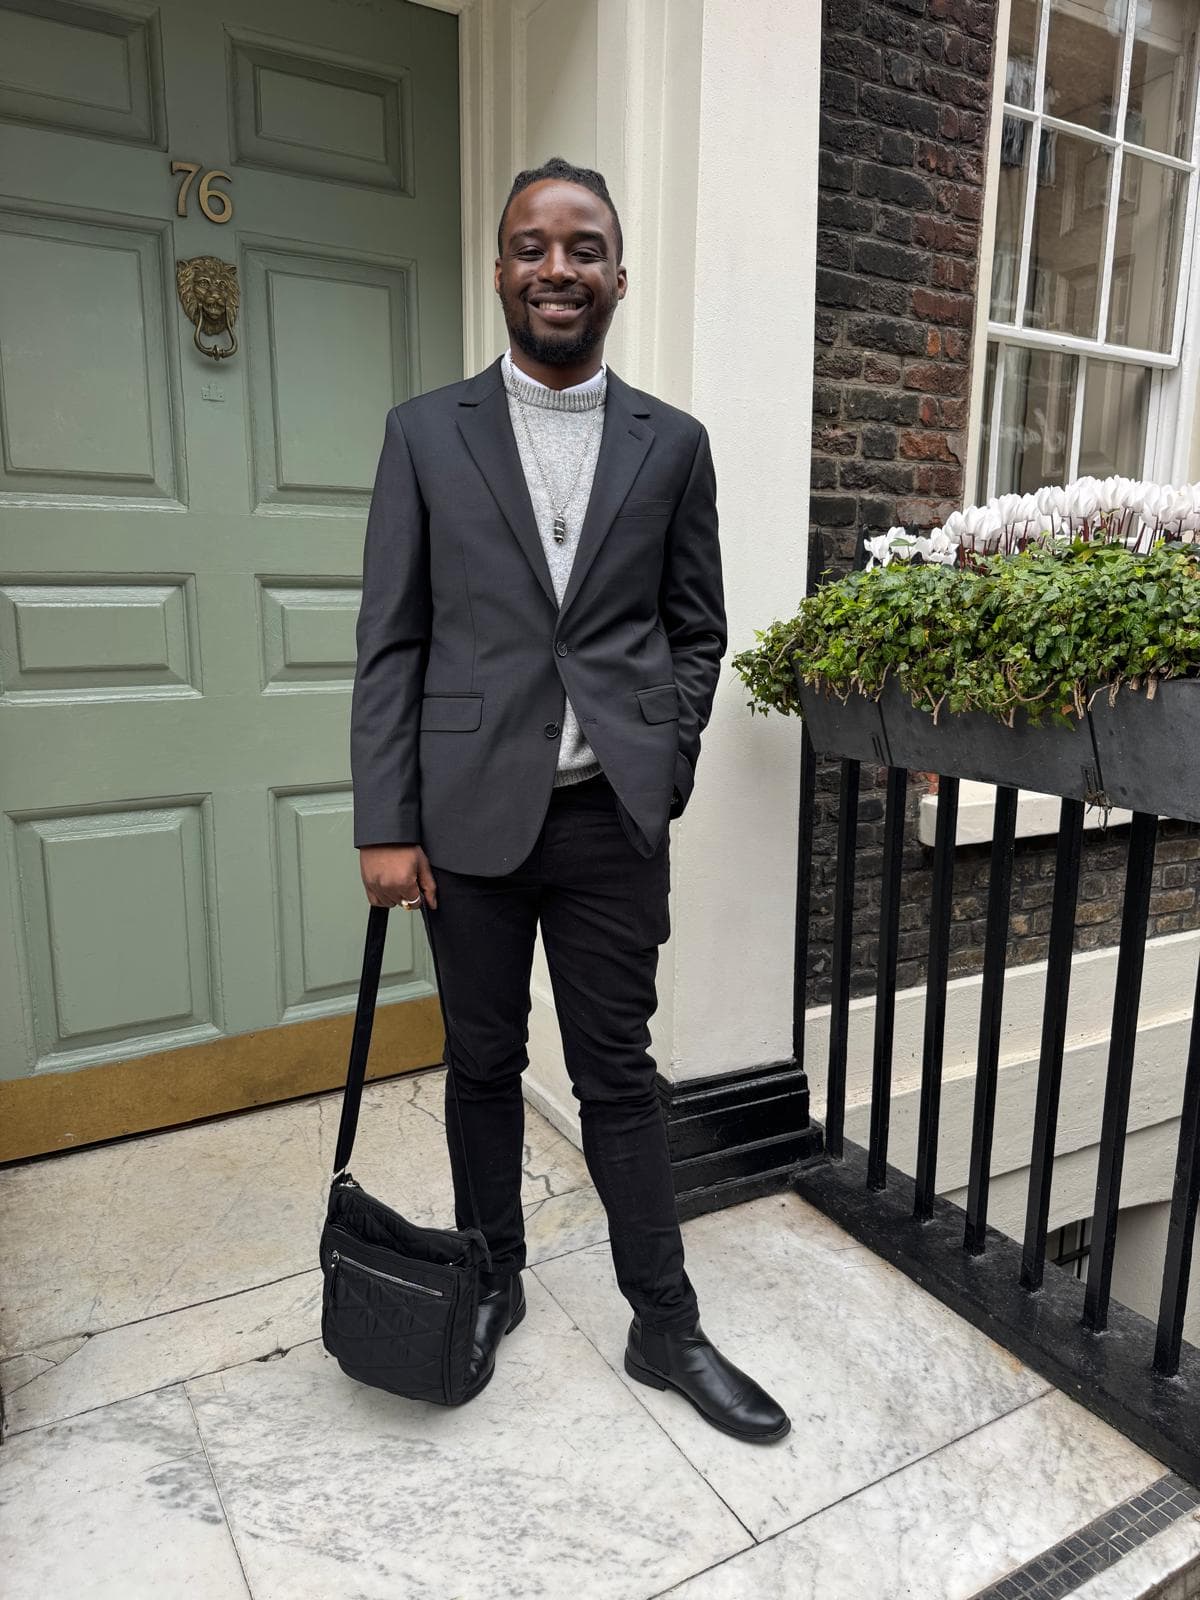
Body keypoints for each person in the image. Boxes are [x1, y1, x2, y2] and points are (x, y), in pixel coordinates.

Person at [351, 156, 789, 1443]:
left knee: (620, 1075)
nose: (558, 268)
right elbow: (392, 640)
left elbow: (696, 627)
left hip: (609, 823)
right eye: (532, 247)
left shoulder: (674, 443)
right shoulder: (425, 434)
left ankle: (665, 1320)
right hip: (464, 821)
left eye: (583, 247)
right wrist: (386, 819)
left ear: (616, 274)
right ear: (498, 269)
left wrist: (666, 753)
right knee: (482, 1064)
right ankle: (493, 1276)